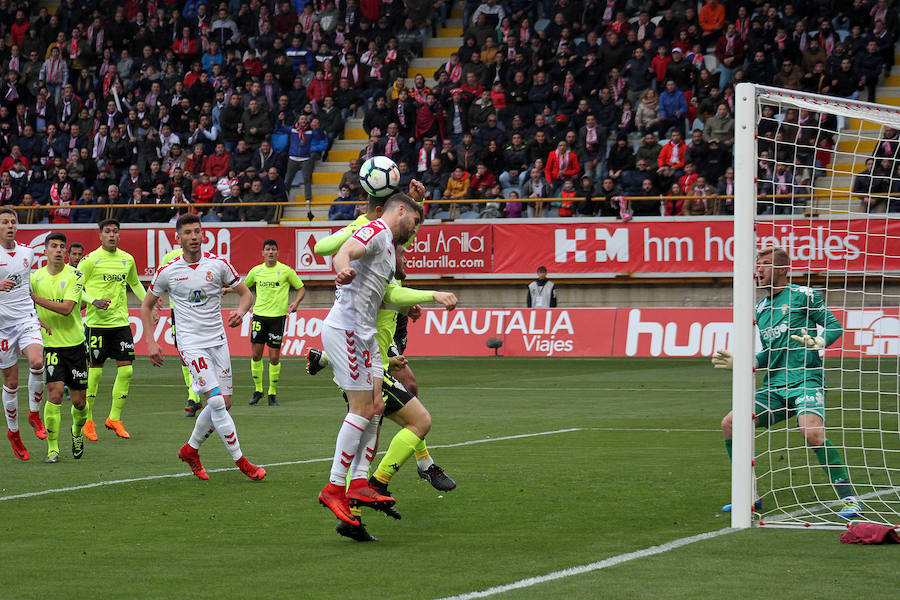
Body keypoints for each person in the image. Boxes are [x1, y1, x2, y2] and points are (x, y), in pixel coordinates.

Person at [306, 243, 457, 542]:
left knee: (365, 439)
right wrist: (431, 296)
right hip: (368, 368)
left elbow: (380, 310)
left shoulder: (382, 281)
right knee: (419, 421)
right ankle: (382, 481)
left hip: (370, 365)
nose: (404, 258)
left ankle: (353, 516)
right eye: (400, 253)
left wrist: (407, 310)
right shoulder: (380, 279)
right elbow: (371, 314)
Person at [712, 247, 861, 519]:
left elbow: (835, 326)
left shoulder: (804, 295)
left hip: (806, 378)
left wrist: (821, 341)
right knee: (731, 423)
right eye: (758, 265)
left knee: (812, 434)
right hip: (775, 386)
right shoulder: (762, 307)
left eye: (766, 264)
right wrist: (744, 362)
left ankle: (849, 498)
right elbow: (771, 352)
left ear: (782, 269)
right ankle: (749, 496)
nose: (759, 269)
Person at [142, 213, 265, 482]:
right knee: (217, 400)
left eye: (197, 231)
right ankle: (242, 461)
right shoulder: (169, 271)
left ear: (203, 234)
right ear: (178, 238)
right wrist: (151, 341)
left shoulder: (218, 265)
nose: (194, 236)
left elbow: (247, 294)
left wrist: (242, 312)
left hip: (218, 341)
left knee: (226, 403)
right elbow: (147, 305)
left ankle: (190, 449)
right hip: (190, 342)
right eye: (188, 232)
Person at [79, 219, 151, 441]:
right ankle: (88, 420)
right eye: (107, 232)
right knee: (96, 372)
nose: (112, 235)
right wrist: (93, 301)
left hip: (120, 323)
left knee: (127, 370)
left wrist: (149, 304)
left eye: (115, 232)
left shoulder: (127, 259)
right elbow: (75, 289)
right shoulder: (89, 260)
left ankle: (114, 418)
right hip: (97, 325)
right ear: (100, 235)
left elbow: (136, 284)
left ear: (119, 235)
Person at [29, 233, 90, 463]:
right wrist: (35, 318)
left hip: (75, 345)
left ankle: (76, 431)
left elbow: (66, 309)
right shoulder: (35, 278)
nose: (58, 250)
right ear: (45, 250)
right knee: (54, 395)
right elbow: (26, 307)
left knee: (79, 402)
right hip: (51, 346)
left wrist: (35, 298)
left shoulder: (75, 275)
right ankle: (52, 448)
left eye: (61, 247)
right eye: (53, 246)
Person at [0, 208, 47, 460]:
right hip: (2, 326)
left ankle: (34, 414)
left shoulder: (27, 252)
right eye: (4, 222)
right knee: (11, 382)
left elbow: (28, 287)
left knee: (38, 362)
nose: (10, 225)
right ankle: (14, 433)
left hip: (26, 318)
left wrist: (39, 316)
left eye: (12, 222)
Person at [245, 239, 305, 407]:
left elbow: (301, 287)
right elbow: (243, 286)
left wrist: (296, 303)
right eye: (267, 249)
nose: (270, 252)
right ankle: (258, 390)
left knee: (274, 357)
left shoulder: (286, 271)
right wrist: (227, 289)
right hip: (259, 316)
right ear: (263, 253)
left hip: (277, 319)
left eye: (273, 249)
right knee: (256, 355)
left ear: (277, 253)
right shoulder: (256, 271)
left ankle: (272, 392)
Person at [157, 245, 203, 418]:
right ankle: (193, 396)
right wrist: (157, 296)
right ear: (178, 237)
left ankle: (198, 394)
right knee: (185, 356)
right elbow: (159, 278)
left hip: (200, 312)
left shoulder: (202, 257)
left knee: (200, 353)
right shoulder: (170, 258)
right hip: (179, 313)